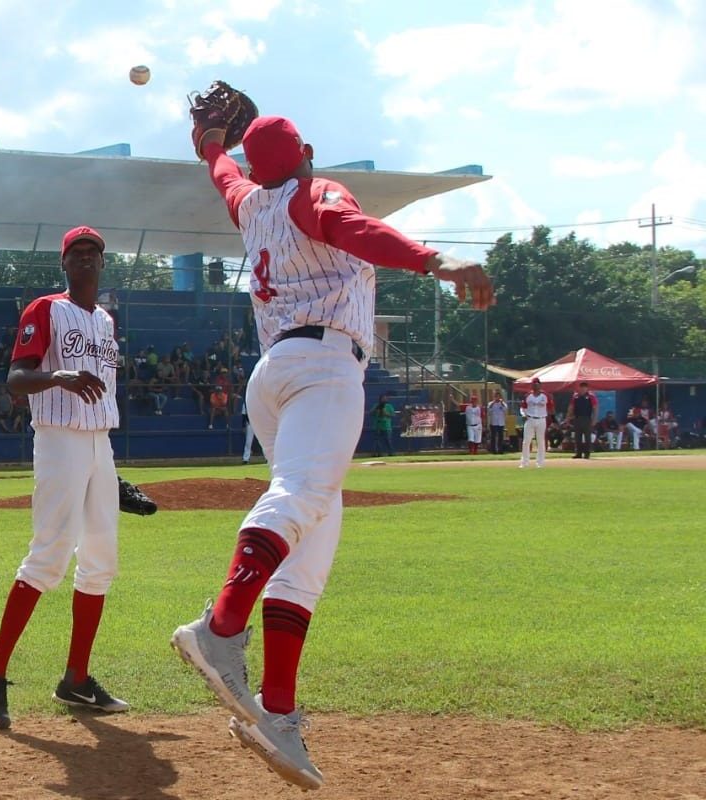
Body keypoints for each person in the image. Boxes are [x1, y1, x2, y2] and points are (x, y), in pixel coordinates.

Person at [170, 113, 493, 790]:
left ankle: (277, 713)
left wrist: (210, 143)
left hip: (275, 373)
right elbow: (351, 229)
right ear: (308, 153)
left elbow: (223, 175)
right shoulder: (314, 192)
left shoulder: (249, 201)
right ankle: (220, 627)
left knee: (312, 540)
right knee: (303, 498)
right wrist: (435, 260)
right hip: (323, 366)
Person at [0, 225, 130, 730]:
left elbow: (101, 397)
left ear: (102, 263)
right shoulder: (45, 309)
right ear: (64, 263)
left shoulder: (105, 320)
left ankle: (76, 679)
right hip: (59, 438)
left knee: (100, 562)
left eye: (93, 252)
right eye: (76, 252)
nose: (85, 258)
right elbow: (16, 379)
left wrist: (107, 475)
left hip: (100, 443)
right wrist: (57, 377)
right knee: (49, 558)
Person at [520, 378, 551, 468]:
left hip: (541, 419)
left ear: (540, 385)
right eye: (534, 384)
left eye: (537, 384)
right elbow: (522, 407)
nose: (536, 385)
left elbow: (550, 407)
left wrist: (551, 419)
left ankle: (540, 463)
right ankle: (524, 462)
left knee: (540, 441)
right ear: (532, 385)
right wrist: (523, 414)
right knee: (526, 441)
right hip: (530, 419)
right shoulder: (528, 395)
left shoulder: (545, 395)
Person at [569, 381, 597, 459]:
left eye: (584, 388)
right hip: (577, 418)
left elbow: (595, 408)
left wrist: (594, 419)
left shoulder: (591, 396)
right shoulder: (576, 396)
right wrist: (568, 417)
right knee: (577, 437)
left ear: (587, 388)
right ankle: (578, 453)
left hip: (587, 418)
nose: (583, 389)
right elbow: (571, 407)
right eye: (581, 387)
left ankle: (587, 453)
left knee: (587, 436)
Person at [369, 392, 396, 457]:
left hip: (386, 426)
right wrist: (376, 409)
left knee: (388, 440)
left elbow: (393, 415)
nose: (384, 399)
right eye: (383, 398)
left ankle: (391, 452)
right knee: (377, 441)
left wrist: (386, 413)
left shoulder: (389, 406)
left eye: (385, 398)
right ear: (380, 399)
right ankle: (378, 453)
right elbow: (371, 413)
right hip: (377, 426)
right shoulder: (376, 405)